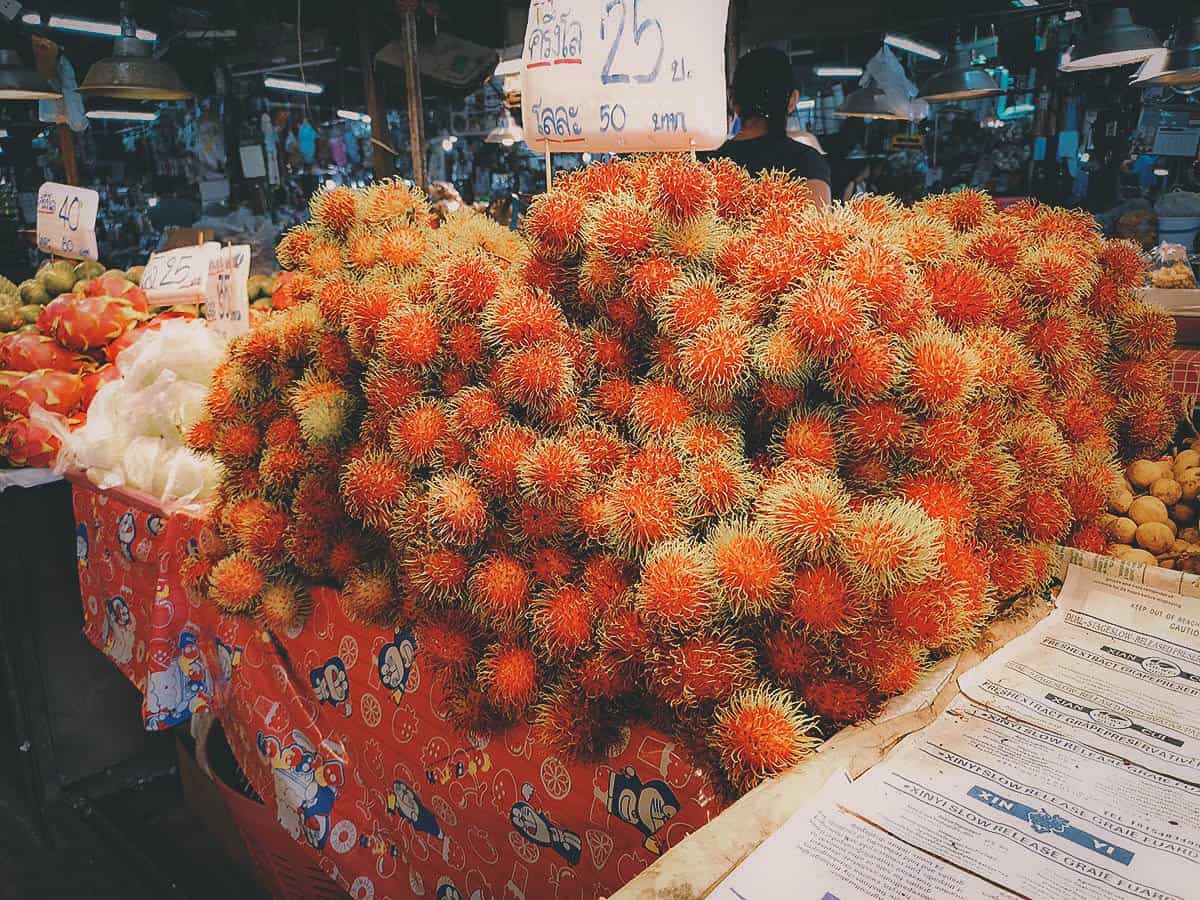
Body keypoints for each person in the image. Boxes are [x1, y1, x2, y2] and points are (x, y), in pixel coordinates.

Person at [701, 47, 832, 208]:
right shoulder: (807, 162)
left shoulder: (703, 163)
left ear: (732, 100)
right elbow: (816, 230)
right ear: (792, 100)